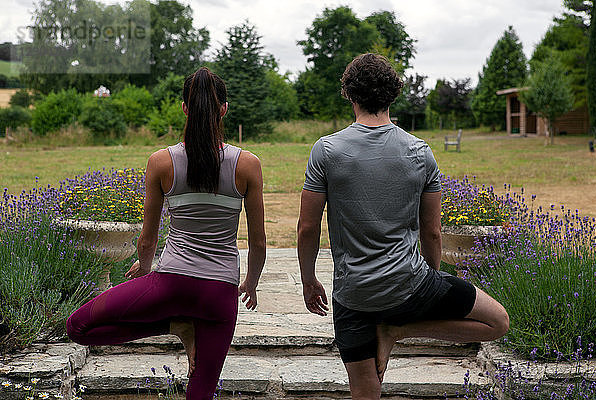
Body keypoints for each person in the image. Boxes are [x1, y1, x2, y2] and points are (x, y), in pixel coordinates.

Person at [297, 53, 509, 399]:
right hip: (410, 286)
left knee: (366, 393)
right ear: (392, 95)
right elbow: (433, 232)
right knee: (498, 321)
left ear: (350, 94)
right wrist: (431, 284)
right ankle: (398, 330)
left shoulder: (326, 151)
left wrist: (308, 280)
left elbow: (307, 228)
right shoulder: (420, 152)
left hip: (353, 296)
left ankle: (392, 331)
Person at [67, 67, 266, 400]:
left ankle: (175, 326)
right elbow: (258, 243)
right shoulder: (247, 164)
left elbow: (148, 237)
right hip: (220, 294)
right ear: (224, 109)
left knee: (78, 327)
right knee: (200, 393)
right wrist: (252, 283)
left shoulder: (161, 162)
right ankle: (182, 327)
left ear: (184, 108)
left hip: (170, 284)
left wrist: (144, 269)